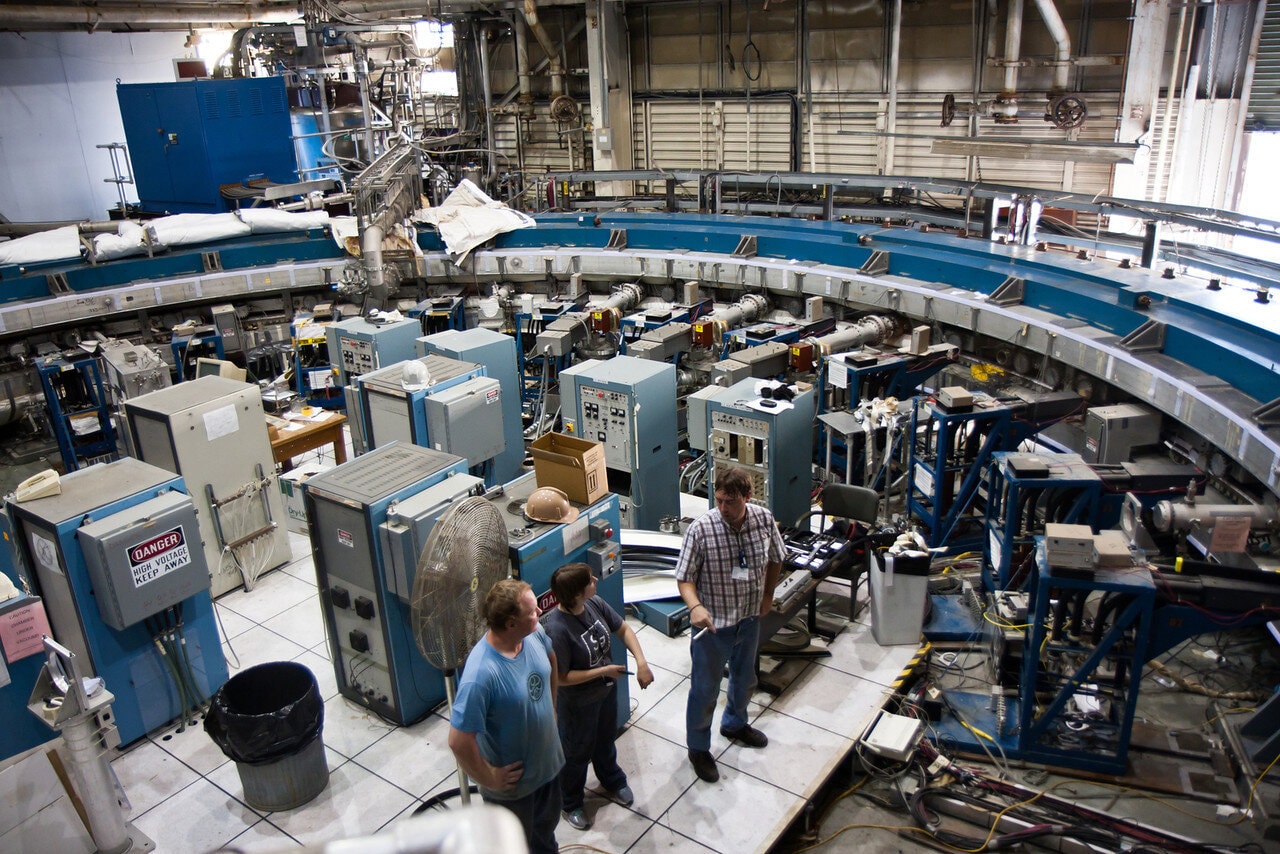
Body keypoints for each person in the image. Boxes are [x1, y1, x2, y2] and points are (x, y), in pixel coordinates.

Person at [675, 466, 785, 783]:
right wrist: (694, 607)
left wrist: (768, 595)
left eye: (730, 502)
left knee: (745, 678)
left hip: (749, 617)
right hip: (713, 626)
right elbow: (684, 578)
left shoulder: (763, 519)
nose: (723, 508)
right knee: (705, 689)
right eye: (719, 500)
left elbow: (777, 556)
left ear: (747, 498)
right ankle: (698, 748)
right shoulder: (701, 530)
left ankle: (734, 724)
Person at [448, 579, 563, 854]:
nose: (539, 614)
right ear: (511, 623)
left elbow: (551, 659)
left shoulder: (531, 635)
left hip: (548, 769)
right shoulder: (481, 675)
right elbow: (458, 741)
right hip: (515, 792)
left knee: (545, 839)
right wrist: (488, 778)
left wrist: (552, 708)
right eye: (533, 612)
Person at [543, 562, 655, 830]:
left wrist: (641, 662)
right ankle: (570, 803)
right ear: (577, 594)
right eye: (590, 580)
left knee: (605, 740)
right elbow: (560, 677)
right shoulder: (557, 629)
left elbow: (624, 629)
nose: (596, 580)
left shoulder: (595, 604)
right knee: (576, 753)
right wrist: (603, 670)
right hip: (578, 705)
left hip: (605, 694)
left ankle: (612, 779)